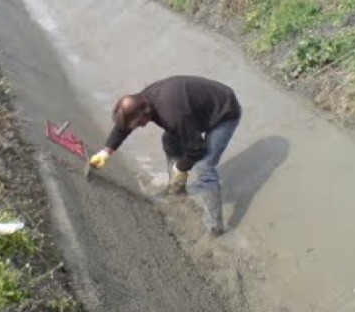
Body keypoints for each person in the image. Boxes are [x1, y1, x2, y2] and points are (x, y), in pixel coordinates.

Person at [89, 75, 242, 236]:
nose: (139, 127)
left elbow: (197, 148)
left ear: (145, 114)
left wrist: (181, 167)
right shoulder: (141, 101)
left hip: (224, 112)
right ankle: (176, 188)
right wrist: (106, 151)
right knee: (169, 140)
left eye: (139, 124)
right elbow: (123, 127)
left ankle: (215, 227)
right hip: (198, 110)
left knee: (204, 167)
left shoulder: (173, 115)